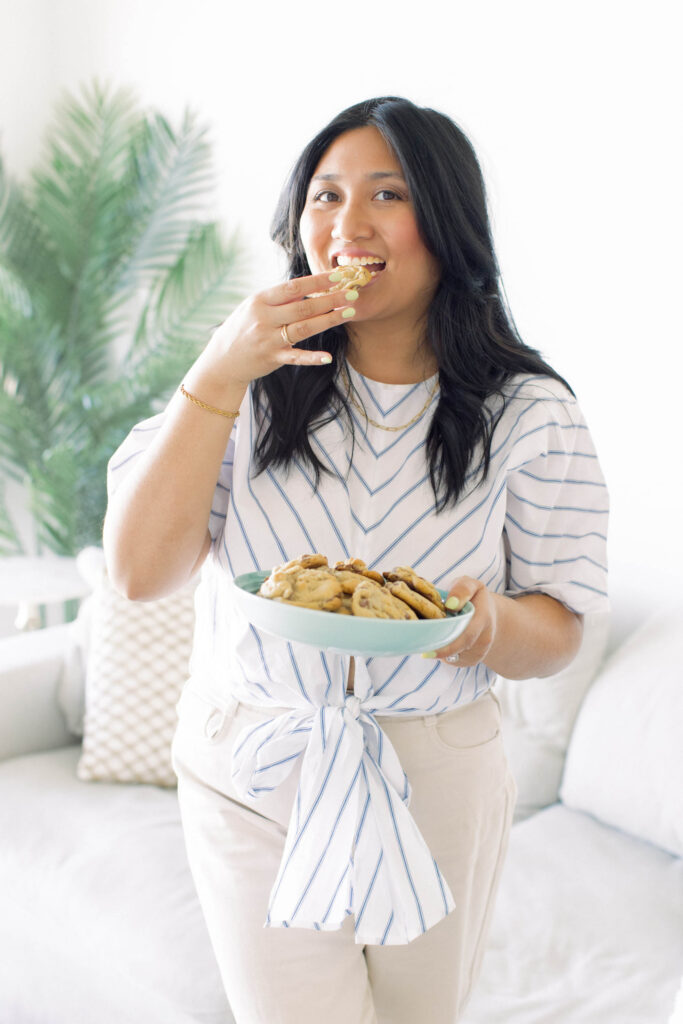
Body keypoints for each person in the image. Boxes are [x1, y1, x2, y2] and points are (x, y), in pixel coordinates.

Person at [103, 96, 609, 1024]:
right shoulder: (242, 382)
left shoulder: (531, 412)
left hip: (439, 774)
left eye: (388, 193)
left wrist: (484, 623)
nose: (347, 224)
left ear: (447, 224)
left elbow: (560, 628)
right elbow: (138, 574)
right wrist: (217, 374)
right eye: (324, 196)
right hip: (254, 763)